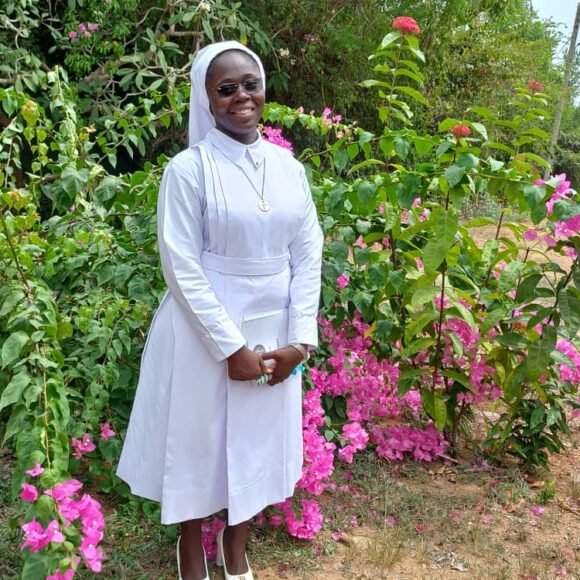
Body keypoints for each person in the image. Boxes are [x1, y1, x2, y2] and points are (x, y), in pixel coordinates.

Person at [117, 40, 323, 580]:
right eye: (225, 88)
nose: (240, 97)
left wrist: (300, 342)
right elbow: (180, 265)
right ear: (206, 98)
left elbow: (308, 254)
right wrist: (229, 347)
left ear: (264, 90)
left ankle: (237, 551)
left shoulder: (288, 168)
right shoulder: (188, 170)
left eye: (249, 85)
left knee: (255, 445)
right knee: (197, 442)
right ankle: (190, 549)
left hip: (275, 330)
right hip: (203, 328)